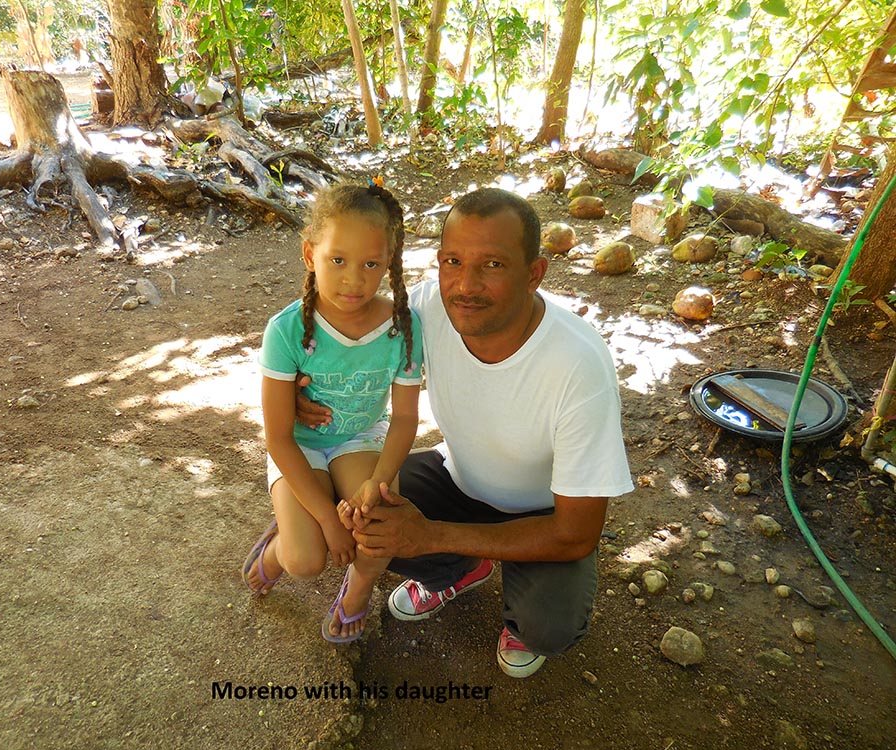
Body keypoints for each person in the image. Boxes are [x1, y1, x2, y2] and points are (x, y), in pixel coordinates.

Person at [298, 187, 634, 677]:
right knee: (354, 507)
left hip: (545, 513)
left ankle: (510, 601)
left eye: (493, 265)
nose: (466, 285)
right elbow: (340, 327)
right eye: (453, 261)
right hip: (458, 477)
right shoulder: (426, 308)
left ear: (534, 274)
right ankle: (460, 568)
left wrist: (429, 535)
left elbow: (576, 533)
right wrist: (301, 389)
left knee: (548, 624)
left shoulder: (578, 365)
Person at [242, 182, 423, 645]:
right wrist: (326, 519)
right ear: (310, 254)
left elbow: (405, 419)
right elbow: (278, 437)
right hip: (300, 446)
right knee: (306, 560)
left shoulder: (402, 327)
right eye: (337, 260)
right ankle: (279, 546)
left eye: (371, 264)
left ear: (389, 262)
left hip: (362, 439)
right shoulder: (286, 331)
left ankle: (357, 592)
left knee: (378, 530)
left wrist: (377, 480)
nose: (354, 280)